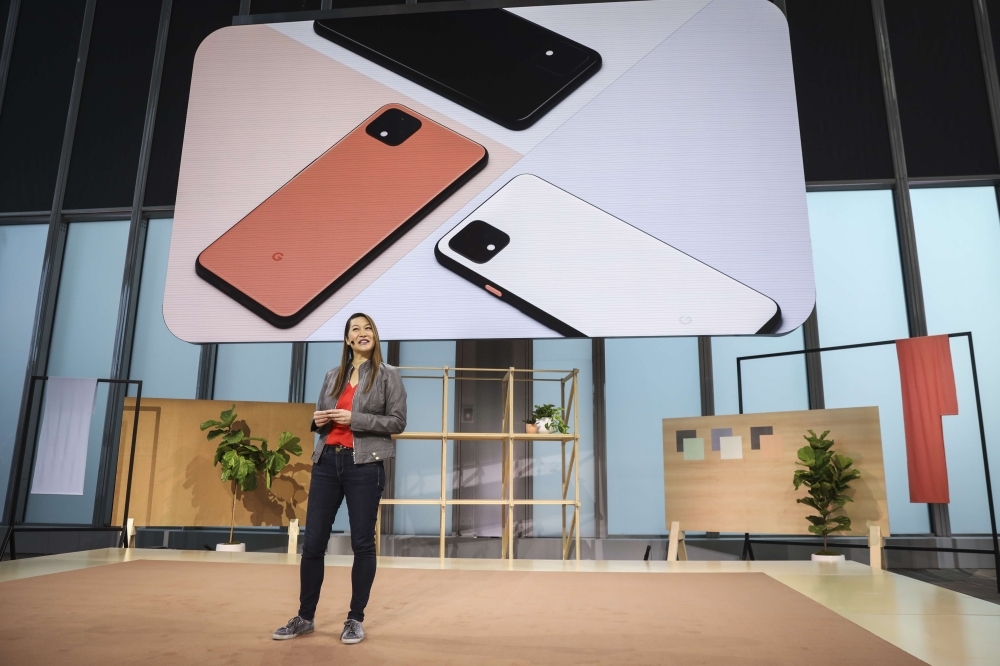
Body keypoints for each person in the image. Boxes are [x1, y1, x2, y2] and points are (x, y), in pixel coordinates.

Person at [273, 313, 406, 644]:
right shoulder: (334, 375)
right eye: (355, 329)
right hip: (327, 463)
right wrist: (317, 420)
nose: (362, 333)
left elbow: (398, 422)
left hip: (365, 466)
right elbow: (320, 420)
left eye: (368, 328)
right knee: (314, 542)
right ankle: (305, 617)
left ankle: (354, 619)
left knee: (362, 542)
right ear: (347, 340)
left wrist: (355, 418)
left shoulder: (389, 375)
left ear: (375, 335)